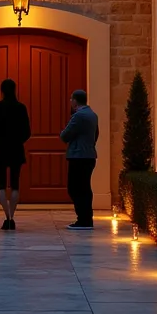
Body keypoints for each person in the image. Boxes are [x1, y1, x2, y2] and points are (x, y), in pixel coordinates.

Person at [0, 79, 30, 231]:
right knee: (15, 184)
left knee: (1, 184)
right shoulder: (21, 108)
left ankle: (7, 217)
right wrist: (17, 140)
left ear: (2, 91)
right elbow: (27, 131)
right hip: (16, 149)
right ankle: (12, 216)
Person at [59, 89, 98, 230]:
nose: (70, 101)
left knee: (74, 188)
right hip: (89, 155)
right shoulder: (93, 115)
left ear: (75, 101)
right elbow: (96, 134)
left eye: (71, 99)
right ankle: (87, 218)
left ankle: (83, 219)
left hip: (78, 156)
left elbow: (65, 135)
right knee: (85, 187)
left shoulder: (78, 116)